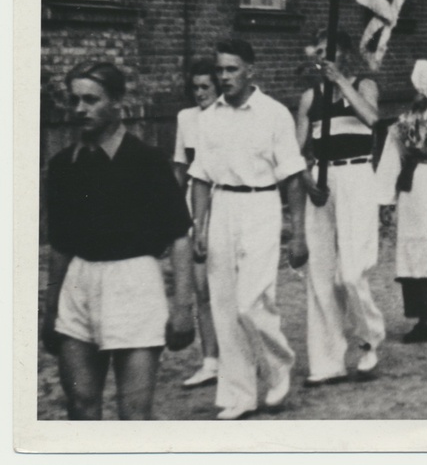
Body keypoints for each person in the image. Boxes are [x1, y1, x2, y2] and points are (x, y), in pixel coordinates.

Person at [42, 61, 195, 419]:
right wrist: (50, 312)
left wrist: (183, 309)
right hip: (79, 287)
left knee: (134, 413)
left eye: (91, 100)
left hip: (134, 285)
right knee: (80, 405)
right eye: (75, 100)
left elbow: (179, 237)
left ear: (117, 102)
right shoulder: (64, 165)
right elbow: (61, 246)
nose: (80, 109)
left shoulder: (146, 161)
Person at [189, 38, 309, 420]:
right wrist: (200, 227)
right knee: (224, 305)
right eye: (220, 70)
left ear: (250, 70)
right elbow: (200, 178)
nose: (224, 77)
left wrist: (299, 232)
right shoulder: (207, 119)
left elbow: (293, 175)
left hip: (261, 203)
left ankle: (278, 366)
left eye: (232, 69)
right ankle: (239, 394)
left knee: (251, 302)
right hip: (223, 205)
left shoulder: (274, 114)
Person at [294, 29, 386, 387]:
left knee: (350, 272)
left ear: (345, 54)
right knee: (321, 274)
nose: (321, 58)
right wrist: (307, 181)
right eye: (317, 52)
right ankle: (327, 359)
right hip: (323, 182)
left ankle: (369, 338)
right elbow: (295, 150)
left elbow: (373, 119)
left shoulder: (364, 85)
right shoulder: (308, 98)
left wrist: (340, 84)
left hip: (358, 176)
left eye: (327, 52)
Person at [376, 60, 427, 343]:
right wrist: (386, 200)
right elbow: (391, 157)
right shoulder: (406, 122)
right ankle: (425, 318)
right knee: (418, 250)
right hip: (414, 190)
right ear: (424, 86)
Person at [173, 59, 221, 389]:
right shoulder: (186, 118)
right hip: (196, 204)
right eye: (195, 88)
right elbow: (180, 165)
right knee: (202, 287)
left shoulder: (230, 117)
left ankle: (245, 355)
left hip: (231, 200)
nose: (200, 93)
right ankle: (211, 361)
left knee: (232, 286)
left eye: (206, 87)